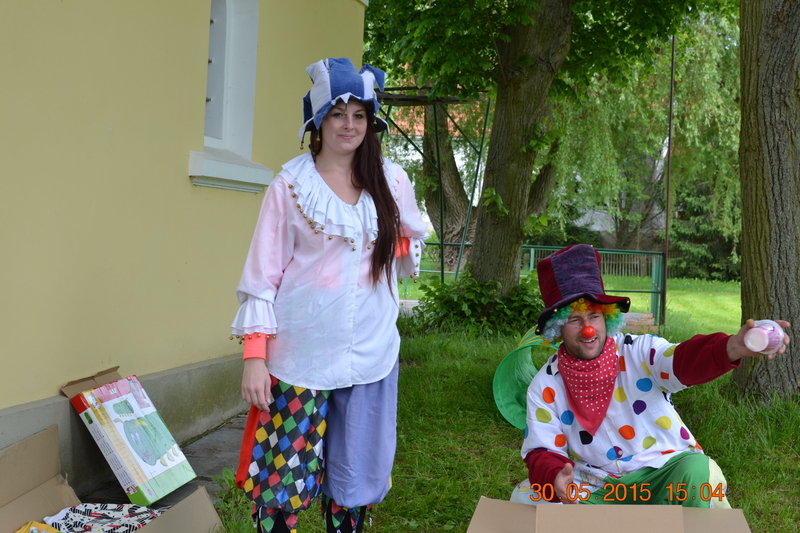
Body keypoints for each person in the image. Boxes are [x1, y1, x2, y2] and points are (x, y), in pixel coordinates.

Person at [230, 58, 428, 533]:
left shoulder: (392, 181)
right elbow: (261, 277)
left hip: (371, 355)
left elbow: (406, 245)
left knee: (354, 479)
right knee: (282, 479)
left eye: (359, 115)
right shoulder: (290, 187)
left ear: (371, 122)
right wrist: (255, 358)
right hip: (302, 357)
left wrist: (397, 243)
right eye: (338, 114)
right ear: (318, 121)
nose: (349, 125)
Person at [521, 244, 791, 507]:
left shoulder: (638, 351)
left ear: (607, 317)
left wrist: (732, 346)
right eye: (574, 320)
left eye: (594, 316)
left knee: (699, 472)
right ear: (557, 328)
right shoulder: (545, 385)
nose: (588, 329)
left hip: (664, 473)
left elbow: (681, 361)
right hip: (600, 485)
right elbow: (542, 449)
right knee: (527, 496)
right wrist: (555, 477)